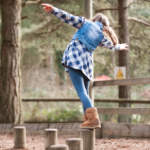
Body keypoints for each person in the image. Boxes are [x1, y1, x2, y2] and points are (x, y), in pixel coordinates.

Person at [41, 3, 128, 128]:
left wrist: (54, 10)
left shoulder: (85, 23)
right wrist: (119, 46)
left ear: (94, 20)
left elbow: (68, 17)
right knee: (85, 94)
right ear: (104, 26)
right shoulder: (101, 36)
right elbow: (112, 46)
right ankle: (88, 120)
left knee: (82, 93)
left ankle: (93, 120)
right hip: (87, 66)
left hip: (75, 60)